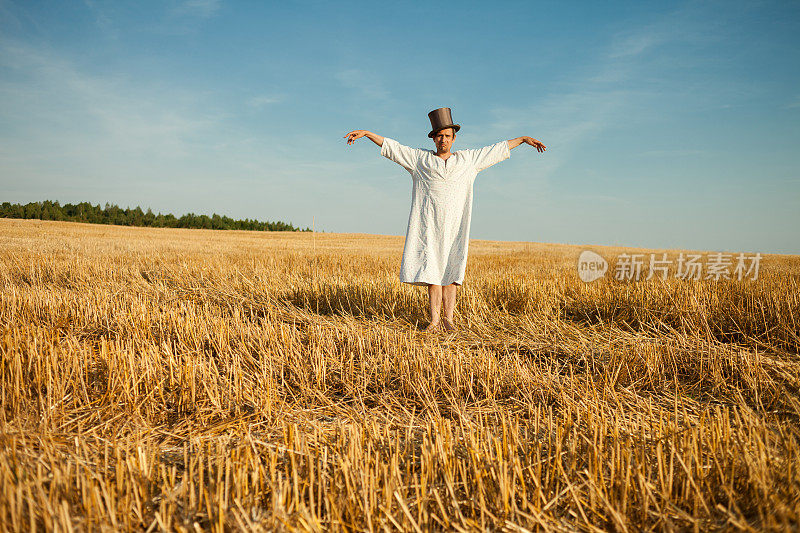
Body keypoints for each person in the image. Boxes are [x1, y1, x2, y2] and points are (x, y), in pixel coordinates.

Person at [344, 107, 546, 332]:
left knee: (452, 272)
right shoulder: (420, 159)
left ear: (454, 138)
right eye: (439, 135)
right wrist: (368, 134)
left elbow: (495, 150)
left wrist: (522, 139)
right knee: (431, 273)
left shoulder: (467, 160)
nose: (443, 139)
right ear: (433, 138)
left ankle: (448, 320)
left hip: (455, 227)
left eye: (447, 136)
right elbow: (394, 148)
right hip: (428, 226)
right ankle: (434, 321)